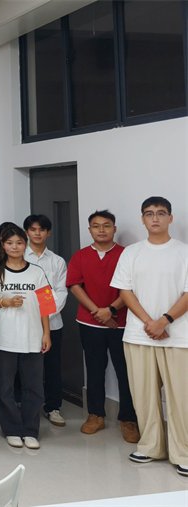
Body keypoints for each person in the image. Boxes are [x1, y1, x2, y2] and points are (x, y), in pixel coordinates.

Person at [111, 196, 188, 477]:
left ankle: (183, 452)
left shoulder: (184, 252)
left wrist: (164, 321)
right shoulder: (131, 253)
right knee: (143, 394)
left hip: (178, 335)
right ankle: (151, 446)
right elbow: (125, 290)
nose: (155, 218)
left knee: (181, 397)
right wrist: (149, 323)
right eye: (149, 213)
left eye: (161, 213)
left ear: (170, 218)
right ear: (142, 219)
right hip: (138, 334)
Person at [67, 210, 137, 442]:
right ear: (90, 230)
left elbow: (131, 287)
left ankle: (128, 419)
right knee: (95, 370)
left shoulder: (126, 254)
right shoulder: (80, 256)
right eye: (96, 226)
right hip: (90, 323)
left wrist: (111, 310)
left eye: (106, 225)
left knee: (125, 372)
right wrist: (99, 313)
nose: (101, 230)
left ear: (114, 229)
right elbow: (75, 286)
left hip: (122, 324)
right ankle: (95, 415)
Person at [0, 225, 52, 450]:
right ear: (2, 245)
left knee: (34, 388)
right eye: (9, 243)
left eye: (19, 243)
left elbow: (46, 305)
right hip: (4, 337)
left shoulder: (37, 272)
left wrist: (46, 333)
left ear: (25, 244)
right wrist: (5, 302)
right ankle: (12, 430)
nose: (14, 247)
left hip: (33, 337)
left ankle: (30, 430)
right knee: (5, 388)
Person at [22, 214, 68, 427]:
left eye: (41, 229)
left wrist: (46, 317)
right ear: (26, 232)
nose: (37, 233)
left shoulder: (57, 261)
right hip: (24, 322)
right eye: (33, 229)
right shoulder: (19, 256)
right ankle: (24, 404)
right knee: (24, 366)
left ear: (48, 233)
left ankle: (53, 407)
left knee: (52, 367)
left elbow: (60, 292)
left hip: (53, 323)